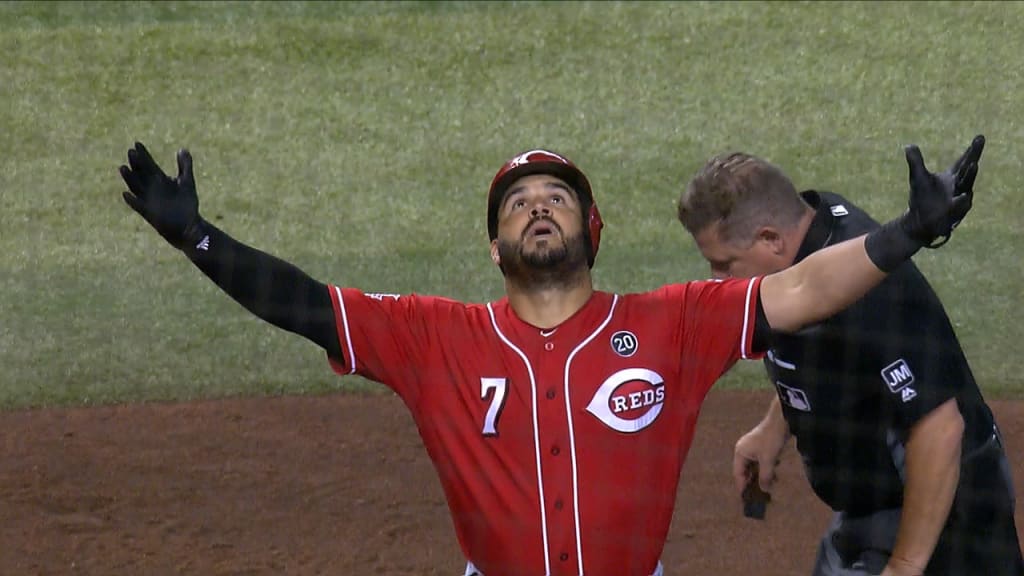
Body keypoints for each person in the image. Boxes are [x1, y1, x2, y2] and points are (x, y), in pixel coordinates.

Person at [118, 135, 982, 576]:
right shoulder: (434, 337)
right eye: (518, 202)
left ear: (592, 231)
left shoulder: (673, 323)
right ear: (495, 247)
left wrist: (907, 233)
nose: (538, 207)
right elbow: (303, 305)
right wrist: (195, 236)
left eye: (557, 197)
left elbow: (800, 290)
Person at [676, 142, 1021, 576]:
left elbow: (940, 430)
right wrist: (774, 426)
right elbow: (825, 350)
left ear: (770, 239)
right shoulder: (812, 243)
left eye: (724, 264)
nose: (716, 280)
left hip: (949, 519)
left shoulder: (869, 297)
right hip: (871, 511)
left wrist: (905, 566)